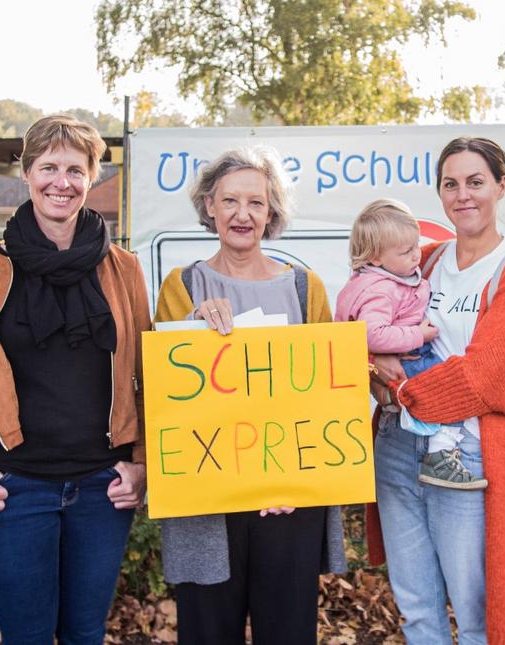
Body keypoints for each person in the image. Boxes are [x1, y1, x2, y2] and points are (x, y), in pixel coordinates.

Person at [0, 115, 150, 643]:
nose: (61, 182)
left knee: (85, 634)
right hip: (10, 489)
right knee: (27, 636)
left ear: (91, 177)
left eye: (75, 170)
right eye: (48, 168)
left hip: (103, 489)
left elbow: (148, 377)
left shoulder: (124, 269)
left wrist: (142, 466)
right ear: (26, 173)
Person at [152, 146, 347, 644]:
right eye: (230, 201)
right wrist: (190, 328)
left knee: (288, 633)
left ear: (271, 211)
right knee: (207, 633)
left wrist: (293, 480)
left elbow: (324, 396)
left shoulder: (305, 288)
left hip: (289, 501)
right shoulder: (183, 286)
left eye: (256, 202)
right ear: (209, 206)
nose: (243, 214)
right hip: (207, 503)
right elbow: (166, 395)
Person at [367, 137, 505, 644]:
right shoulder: (422, 261)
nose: (462, 195)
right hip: (398, 446)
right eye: (451, 184)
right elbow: (366, 325)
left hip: (467, 454)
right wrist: (371, 364)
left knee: (476, 616)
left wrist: (397, 390)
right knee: (416, 609)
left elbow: (482, 377)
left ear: (501, 186)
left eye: (475, 182)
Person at [335, 198, 486, 490]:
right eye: (406, 252)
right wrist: (419, 334)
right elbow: (372, 334)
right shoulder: (380, 290)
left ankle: (419, 425)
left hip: (402, 360)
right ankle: (440, 454)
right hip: (409, 358)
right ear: (375, 258)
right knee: (455, 389)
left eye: (417, 245)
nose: (417, 255)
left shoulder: (380, 278)